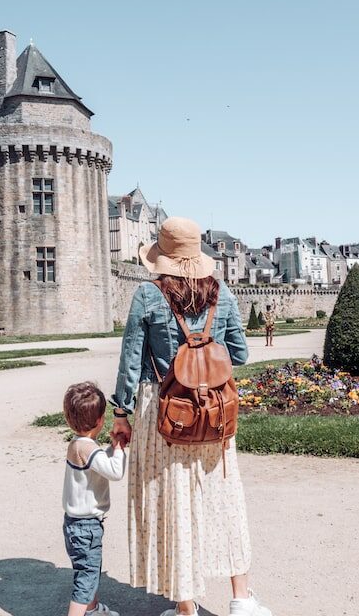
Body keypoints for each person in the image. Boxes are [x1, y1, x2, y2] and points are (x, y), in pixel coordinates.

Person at [110, 216, 272, 616]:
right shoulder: (224, 295)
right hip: (212, 414)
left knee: (173, 505)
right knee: (224, 500)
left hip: (163, 410)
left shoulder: (147, 296)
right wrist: (205, 369)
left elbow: (131, 359)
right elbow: (239, 354)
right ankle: (241, 599)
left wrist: (121, 413)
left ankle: (185, 607)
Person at [62, 382, 127, 616]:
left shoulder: (78, 445)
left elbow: (98, 466)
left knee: (88, 571)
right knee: (86, 577)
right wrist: (118, 448)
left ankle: (92, 609)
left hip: (74, 523)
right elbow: (114, 472)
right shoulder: (89, 449)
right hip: (87, 526)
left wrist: (110, 449)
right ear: (100, 420)